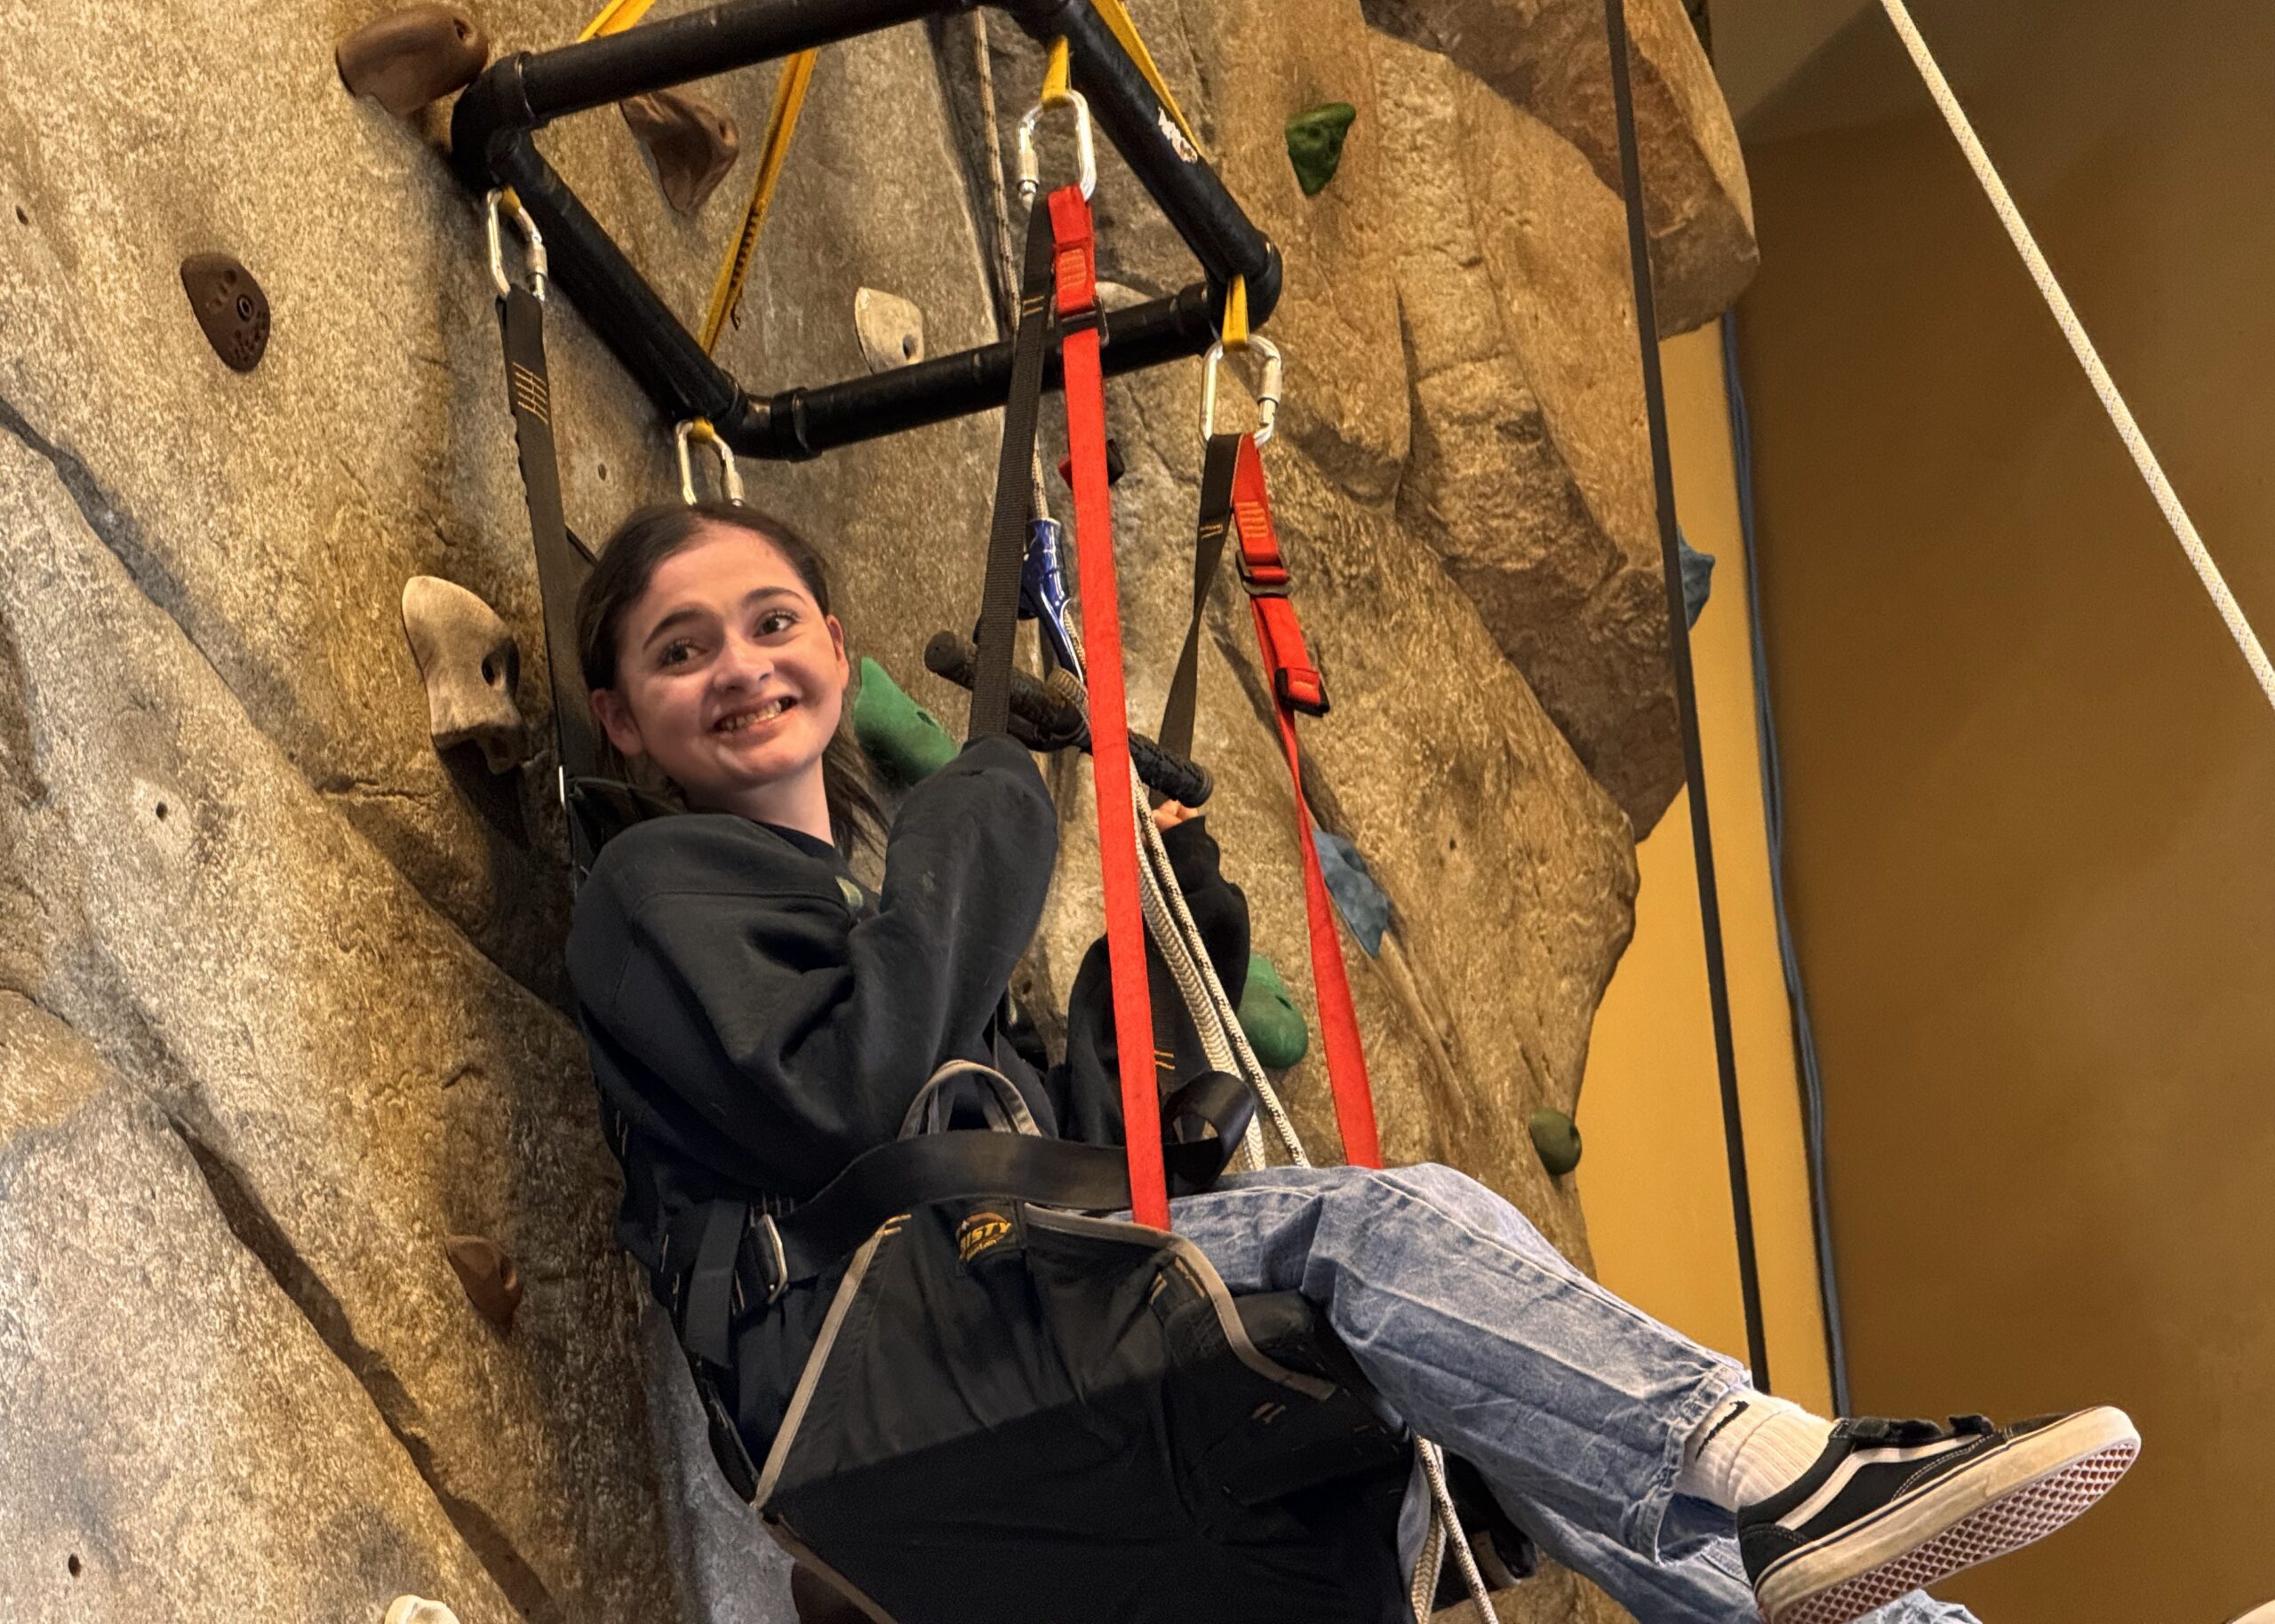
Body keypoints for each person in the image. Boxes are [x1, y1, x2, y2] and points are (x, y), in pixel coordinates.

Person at [563, 500, 2137, 1624]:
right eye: (682, 650)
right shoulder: (659, 890)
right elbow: (834, 1103)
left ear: (833, 649)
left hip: (998, 1363)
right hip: (861, 1382)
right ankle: (1779, 1467)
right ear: (622, 718)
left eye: (772, 624)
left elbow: (1101, 1178)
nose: (742, 666)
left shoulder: (885, 898)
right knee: (1383, 1222)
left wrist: (1156, 954)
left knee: (1507, 1409)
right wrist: (987, 817)